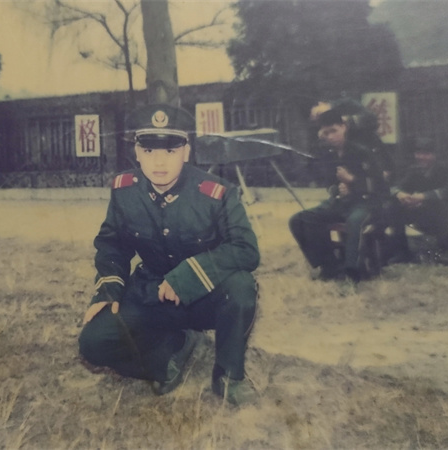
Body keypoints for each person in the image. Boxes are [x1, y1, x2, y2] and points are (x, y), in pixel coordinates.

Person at [78, 104, 261, 406]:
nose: (159, 161)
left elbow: (246, 249)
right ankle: (169, 352)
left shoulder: (216, 193)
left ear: (186, 152)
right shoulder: (125, 191)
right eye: (149, 151)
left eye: (171, 150)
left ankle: (229, 376)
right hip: (150, 295)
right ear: (137, 152)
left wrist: (189, 275)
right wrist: (108, 290)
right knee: (93, 343)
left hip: (204, 298)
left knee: (241, 287)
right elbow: (113, 245)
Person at [289, 109, 388, 282]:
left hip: (367, 203)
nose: (331, 136)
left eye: (334, 130)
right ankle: (329, 265)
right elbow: (329, 184)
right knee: (299, 220)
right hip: (342, 203)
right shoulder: (328, 155)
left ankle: (352, 271)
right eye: (326, 133)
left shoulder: (362, 152)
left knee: (355, 221)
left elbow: (381, 185)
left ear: (344, 127)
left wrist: (352, 181)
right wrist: (337, 190)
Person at [388, 137, 448, 265]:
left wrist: (423, 196)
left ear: (435, 155)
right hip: (426, 214)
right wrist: (401, 194)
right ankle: (402, 252)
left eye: (426, 154)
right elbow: (397, 187)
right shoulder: (414, 171)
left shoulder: (445, 170)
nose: (421, 157)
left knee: (442, 206)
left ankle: (445, 250)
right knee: (394, 206)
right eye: (418, 153)